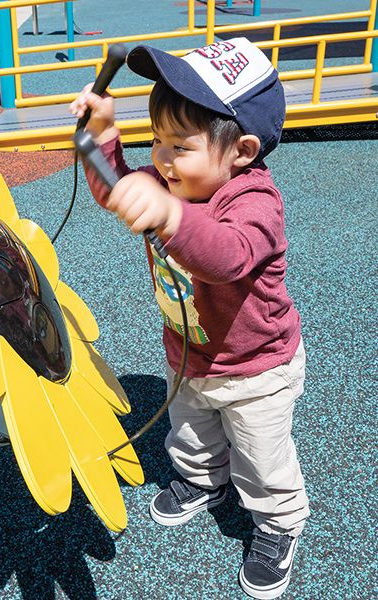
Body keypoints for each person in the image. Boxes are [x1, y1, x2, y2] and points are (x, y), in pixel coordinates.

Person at [70, 37, 309, 600]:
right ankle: (204, 481)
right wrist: (100, 132)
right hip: (189, 352)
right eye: (157, 140)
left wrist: (172, 216)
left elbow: (226, 256)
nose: (162, 158)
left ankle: (278, 523)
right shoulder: (175, 183)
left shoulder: (254, 203)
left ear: (242, 151)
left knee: (262, 457)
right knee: (192, 430)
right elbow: (116, 191)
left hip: (257, 368)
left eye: (180, 145)